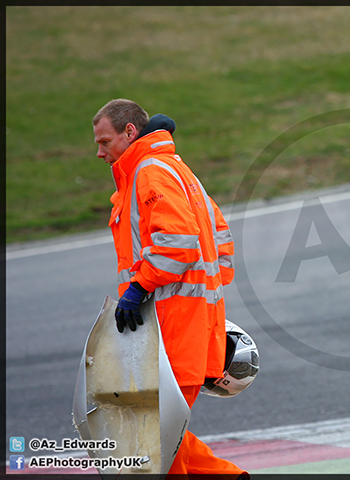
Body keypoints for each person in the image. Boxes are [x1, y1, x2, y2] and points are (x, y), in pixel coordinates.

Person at [92, 99, 247, 478]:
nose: (99, 152)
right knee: (162, 433)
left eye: (104, 141)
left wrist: (141, 287)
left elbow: (178, 241)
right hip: (184, 326)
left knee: (156, 442)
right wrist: (206, 299)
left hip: (171, 330)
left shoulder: (150, 173)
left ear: (130, 133)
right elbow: (221, 244)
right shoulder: (173, 169)